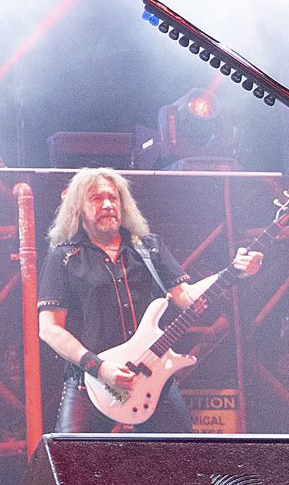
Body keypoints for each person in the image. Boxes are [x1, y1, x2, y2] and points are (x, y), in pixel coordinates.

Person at [37, 167, 263, 432]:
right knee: (72, 469)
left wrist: (234, 272)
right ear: (77, 208)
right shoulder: (64, 258)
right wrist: (100, 368)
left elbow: (187, 297)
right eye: (96, 198)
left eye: (114, 197)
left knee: (182, 464)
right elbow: (49, 329)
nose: (108, 204)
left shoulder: (147, 248)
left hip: (152, 378)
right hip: (90, 383)